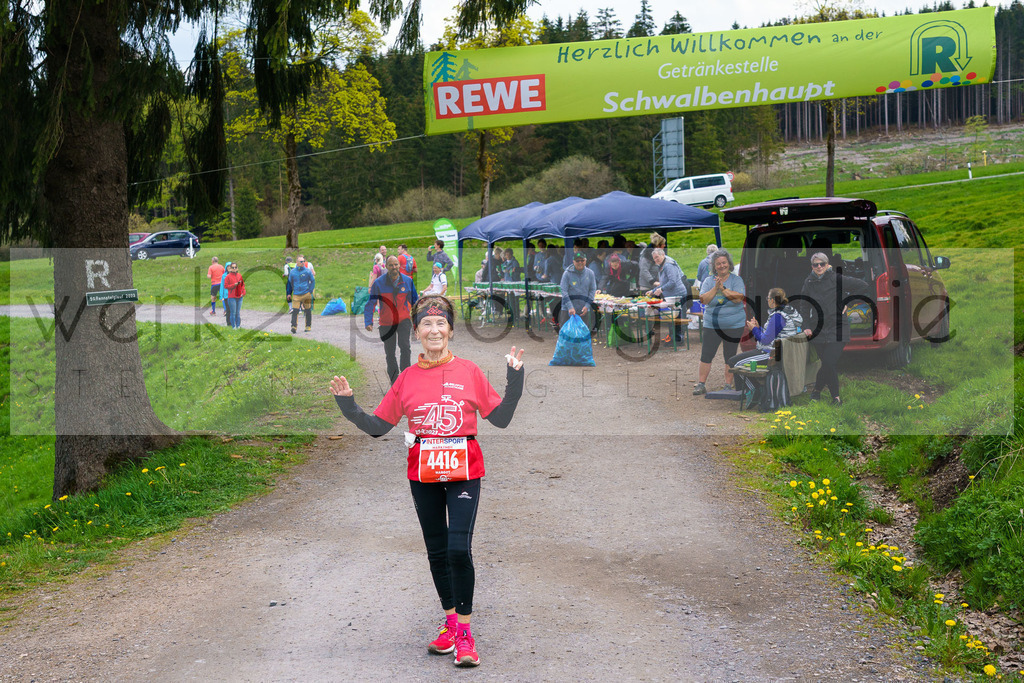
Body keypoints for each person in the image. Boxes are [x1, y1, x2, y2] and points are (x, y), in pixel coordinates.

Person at [331, 295, 524, 668]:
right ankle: (451, 623)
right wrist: (349, 406)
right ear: (416, 332)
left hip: (464, 472)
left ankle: (466, 634)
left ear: (450, 330)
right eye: (426, 325)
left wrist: (514, 380)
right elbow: (377, 427)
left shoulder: (469, 371)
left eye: (440, 324)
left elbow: (499, 419)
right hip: (423, 474)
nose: (434, 330)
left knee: (457, 549)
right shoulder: (406, 379)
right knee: (436, 551)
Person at [799, 252, 871, 406]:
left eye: (822, 264)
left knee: (829, 362)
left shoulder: (836, 278)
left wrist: (848, 302)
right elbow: (804, 306)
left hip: (838, 327)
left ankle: (835, 398)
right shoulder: (808, 282)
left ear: (827, 264)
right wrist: (805, 326)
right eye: (815, 264)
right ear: (811, 266)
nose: (819, 267)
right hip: (817, 328)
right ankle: (816, 392)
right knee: (826, 363)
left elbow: (863, 285)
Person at [728, 287, 803, 394]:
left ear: (772, 300)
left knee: (735, 363)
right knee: (735, 361)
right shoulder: (787, 311)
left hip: (771, 353)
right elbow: (772, 335)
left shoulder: (778, 316)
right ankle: (751, 391)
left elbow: (766, 340)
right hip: (778, 351)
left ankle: (754, 391)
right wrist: (758, 328)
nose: (767, 300)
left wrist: (753, 329)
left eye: (768, 298)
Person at [694, 249, 746, 395]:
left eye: (724, 262)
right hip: (712, 325)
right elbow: (704, 300)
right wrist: (715, 288)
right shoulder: (708, 281)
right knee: (706, 354)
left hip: (734, 325)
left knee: (730, 355)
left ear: (729, 264)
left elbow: (738, 298)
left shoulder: (737, 280)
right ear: (714, 266)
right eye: (718, 264)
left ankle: (728, 385)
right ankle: (701, 383)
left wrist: (722, 289)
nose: (722, 266)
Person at [365, 255, 419, 384]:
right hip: (386, 323)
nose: (394, 267)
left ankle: (405, 378)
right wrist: (368, 321)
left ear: (399, 266)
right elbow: (371, 303)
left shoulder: (407, 281)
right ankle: (395, 382)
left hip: (403, 320)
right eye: (391, 265)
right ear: (386, 266)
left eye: (396, 265)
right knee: (390, 352)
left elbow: (415, 302)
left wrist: (418, 320)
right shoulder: (378, 283)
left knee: (405, 347)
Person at [646, 248, 692, 343]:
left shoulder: (669, 265)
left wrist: (661, 289)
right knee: (671, 318)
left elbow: (672, 282)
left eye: (657, 257)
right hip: (670, 297)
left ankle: (679, 340)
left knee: (679, 318)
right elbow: (663, 282)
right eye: (654, 258)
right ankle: (672, 338)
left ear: (662, 255)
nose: (655, 260)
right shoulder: (661, 266)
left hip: (678, 295)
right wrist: (653, 291)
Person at [557, 252, 597, 330]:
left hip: (583, 309)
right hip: (567, 309)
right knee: (566, 334)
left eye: (582, 260)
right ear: (573, 261)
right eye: (577, 261)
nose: (580, 263)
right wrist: (570, 307)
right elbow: (564, 291)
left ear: (585, 261)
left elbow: (592, 290)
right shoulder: (567, 274)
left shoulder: (590, 273)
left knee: (582, 335)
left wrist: (587, 305)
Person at [287, 256, 316, 334]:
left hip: (306, 294)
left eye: (303, 261)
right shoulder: (292, 272)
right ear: (297, 262)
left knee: (307, 310)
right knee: (295, 311)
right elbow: (289, 283)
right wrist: (289, 293)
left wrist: (310, 291)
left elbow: (312, 281)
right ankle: (293, 326)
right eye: (301, 261)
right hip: (296, 294)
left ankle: (308, 326)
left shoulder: (307, 271)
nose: (303, 263)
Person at [222, 261, 245, 330]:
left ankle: (238, 326)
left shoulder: (239, 275)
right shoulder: (227, 277)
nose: (234, 269)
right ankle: (233, 326)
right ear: (230, 268)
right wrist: (234, 285)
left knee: (238, 312)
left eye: (235, 267)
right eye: (233, 267)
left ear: (237, 268)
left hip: (239, 297)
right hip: (232, 297)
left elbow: (242, 285)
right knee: (233, 312)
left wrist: (243, 293)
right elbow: (226, 286)